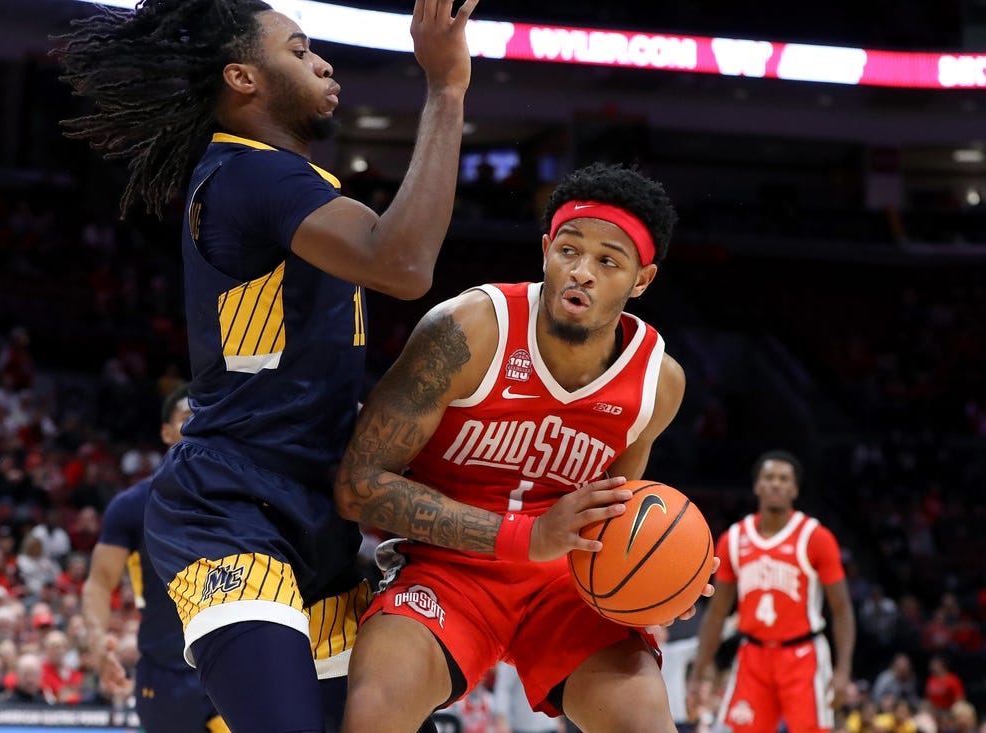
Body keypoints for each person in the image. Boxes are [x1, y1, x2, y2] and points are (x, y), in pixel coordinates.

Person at [59, 1, 478, 731]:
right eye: (299, 49)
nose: (323, 63)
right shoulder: (251, 177)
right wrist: (445, 89)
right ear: (242, 76)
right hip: (229, 507)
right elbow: (405, 263)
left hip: (313, 511)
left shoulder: (281, 186)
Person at [335, 162, 713, 733]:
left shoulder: (659, 383)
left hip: (565, 590)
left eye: (608, 261)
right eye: (568, 250)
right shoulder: (466, 330)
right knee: (372, 716)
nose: (581, 272)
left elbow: (616, 512)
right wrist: (525, 538)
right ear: (545, 250)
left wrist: (661, 579)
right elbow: (357, 487)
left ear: (642, 279)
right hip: (445, 571)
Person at [82, 384, 228, 733]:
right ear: (165, 432)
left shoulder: (246, 497)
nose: (197, 425)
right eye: (186, 417)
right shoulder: (132, 505)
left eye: (206, 417)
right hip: (166, 671)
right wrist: (97, 640)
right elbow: (100, 583)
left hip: (234, 663)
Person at [688, 450, 856, 733]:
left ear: (794, 489)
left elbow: (841, 609)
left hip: (804, 657)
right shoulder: (734, 539)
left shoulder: (816, 537)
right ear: (757, 486)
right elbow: (717, 613)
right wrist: (698, 672)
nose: (776, 484)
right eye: (769, 477)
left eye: (783, 479)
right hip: (753, 656)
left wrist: (843, 670)